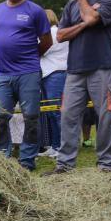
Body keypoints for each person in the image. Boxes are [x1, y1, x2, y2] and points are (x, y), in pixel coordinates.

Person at [44, 0, 111, 175]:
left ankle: (106, 165)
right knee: (67, 115)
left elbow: (92, 16)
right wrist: (85, 23)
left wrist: (82, 1)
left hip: (103, 66)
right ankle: (65, 164)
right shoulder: (70, 5)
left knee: (106, 115)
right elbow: (60, 34)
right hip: (75, 69)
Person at [0, 0, 52, 171]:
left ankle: (27, 160)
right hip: (2, 73)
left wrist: (30, 57)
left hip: (28, 72)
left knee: (31, 117)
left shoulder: (35, 11)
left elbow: (47, 42)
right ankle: (2, 159)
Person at [38, 9, 68, 158]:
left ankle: (62, 147)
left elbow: (39, 50)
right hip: (50, 74)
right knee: (51, 112)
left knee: (56, 113)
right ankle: (55, 145)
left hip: (55, 74)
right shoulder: (55, 32)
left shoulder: (53, 33)